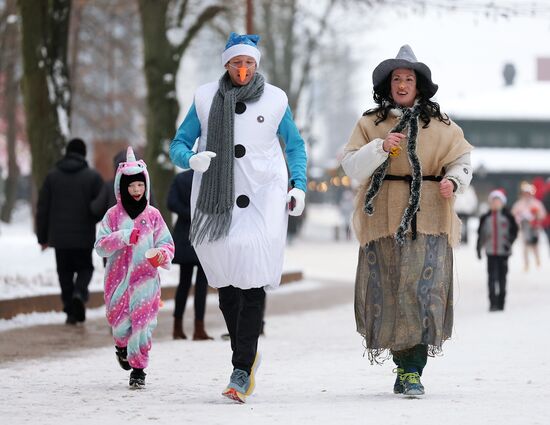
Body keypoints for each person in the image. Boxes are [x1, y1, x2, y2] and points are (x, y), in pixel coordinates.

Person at [169, 32, 307, 403]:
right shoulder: (203, 98)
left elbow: (294, 145)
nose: (242, 69)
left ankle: (242, 368)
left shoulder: (276, 99)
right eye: (236, 63)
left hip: (264, 197)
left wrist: (299, 185)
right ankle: (245, 357)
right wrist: (190, 159)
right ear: (226, 65)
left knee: (253, 280)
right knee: (228, 286)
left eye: (248, 63)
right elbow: (178, 144)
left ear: (256, 65)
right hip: (216, 202)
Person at [340, 45, 473, 396]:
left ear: (419, 85)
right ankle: (403, 366)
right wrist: (380, 147)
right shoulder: (371, 123)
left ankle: (413, 370)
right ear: (387, 84)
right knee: (391, 290)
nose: (402, 84)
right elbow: (351, 166)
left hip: (429, 217)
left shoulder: (441, 125)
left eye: (408, 79)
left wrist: (454, 180)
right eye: (396, 79)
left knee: (421, 292)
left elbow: (462, 159)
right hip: (382, 219)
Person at [94, 147, 174, 389]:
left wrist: (161, 255)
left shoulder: (153, 216)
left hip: (146, 282)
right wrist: (123, 237)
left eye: (140, 185)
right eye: (132, 186)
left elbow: (167, 244)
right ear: (122, 187)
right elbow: (100, 246)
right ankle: (121, 346)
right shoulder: (112, 216)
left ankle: (139, 370)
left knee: (143, 326)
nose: (137, 190)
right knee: (120, 326)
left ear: (145, 186)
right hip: (118, 281)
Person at [36, 138, 104, 325]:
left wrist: (42, 237)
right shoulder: (93, 177)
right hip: (83, 236)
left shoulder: (52, 177)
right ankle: (79, 293)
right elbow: (99, 207)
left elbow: (43, 209)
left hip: (59, 238)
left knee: (64, 272)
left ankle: (69, 309)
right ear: (83, 154)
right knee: (85, 268)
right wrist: (92, 219)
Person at [167, 169, 212, 341]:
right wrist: (198, 213)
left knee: (183, 283)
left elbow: (171, 202)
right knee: (201, 284)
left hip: (184, 233)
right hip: (204, 235)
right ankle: (198, 329)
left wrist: (187, 212)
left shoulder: (180, 178)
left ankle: (177, 327)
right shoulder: (209, 180)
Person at [476, 189, 518, 311]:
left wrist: (509, 242)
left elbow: (514, 231)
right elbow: (481, 234)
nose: (495, 204)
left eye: (498, 201)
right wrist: (478, 248)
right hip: (490, 252)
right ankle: (492, 303)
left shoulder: (508, 216)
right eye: (493, 201)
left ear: (502, 203)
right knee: (491, 278)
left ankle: (501, 303)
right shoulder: (485, 217)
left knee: (502, 278)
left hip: (504, 253)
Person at [511, 181, 546, 271]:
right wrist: (519, 218)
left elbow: (542, 214)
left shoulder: (536, 203)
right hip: (524, 227)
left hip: (534, 228)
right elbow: (514, 214)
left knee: (535, 245)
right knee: (525, 246)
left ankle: (538, 261)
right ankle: (526, 264)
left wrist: (536, 216)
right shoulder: (519, 204)